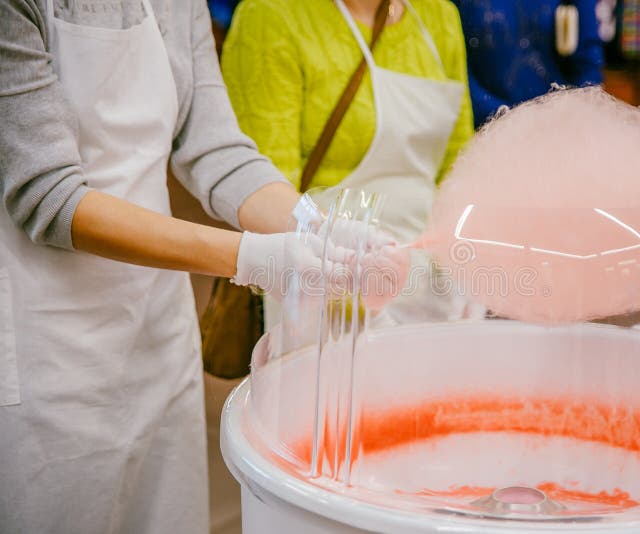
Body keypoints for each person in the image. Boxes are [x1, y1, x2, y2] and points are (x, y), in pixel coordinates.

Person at [0, 0, 373, 531]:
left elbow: (216, 147)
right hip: (54, 349)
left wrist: (318, 223)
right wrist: (248, 256)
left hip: (157, 332)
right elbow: (49, 196)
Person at [221, 0, 477, 323]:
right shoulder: (269, 16)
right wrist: (345, 287)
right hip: (328, 286)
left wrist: (463, 263)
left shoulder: (439, 15)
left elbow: (460, 163)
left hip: (435, 285)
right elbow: (261, 189)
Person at [454, 0, 604, 126]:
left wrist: (574, 115)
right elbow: (455, 67)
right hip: (485, 129)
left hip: (557, 127)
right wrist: (505, 119)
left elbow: (588, 63)